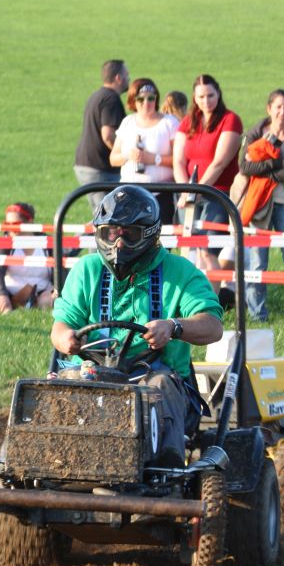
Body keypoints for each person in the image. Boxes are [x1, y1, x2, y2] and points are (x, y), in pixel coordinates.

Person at [51, 185, 224, 467]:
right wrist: (66, 339)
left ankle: (163, 471)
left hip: (157, 378)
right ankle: (40, 462)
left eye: (128, 235)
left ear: (149, 234)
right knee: (55, 387)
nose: (119, 244)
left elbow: (213, 327)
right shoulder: (87, 270)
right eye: (111, 234)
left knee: (158, 387)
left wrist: (173, 327)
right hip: (92, 372)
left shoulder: (180, 273)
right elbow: (60, 328)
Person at [237, 89, 284, 321]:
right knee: (257, 262)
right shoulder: (256, 133)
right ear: (269, 109)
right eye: (278, 107)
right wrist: (275, 165)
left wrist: (268, 172)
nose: (282, 112)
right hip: (258, 204)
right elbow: (245, 168)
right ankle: (257, 314)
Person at [173, 74, 243, 284]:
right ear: (194, 98)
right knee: (189, 252)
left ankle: (212, 306)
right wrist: (186, 190)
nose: (206, 101)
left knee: (207, 251)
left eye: (210, 95)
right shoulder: (188, 122)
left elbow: (219, 162)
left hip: (216, 194)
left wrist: (196, 191)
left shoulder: (230, 120)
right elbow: (178, 160)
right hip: (188, 196)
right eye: (201, 96)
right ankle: (192, 304)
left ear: (218, 93)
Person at [108, 78, 179, 223]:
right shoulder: (127, 122)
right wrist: (128, 155)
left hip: (161, 193)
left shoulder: (169, 122)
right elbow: (113, 159)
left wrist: (154, 159)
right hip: (129, 192)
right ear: (133, 101)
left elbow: (179, 159)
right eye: (141, 99)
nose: (146, 103)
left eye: (151, 98)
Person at [0, 202, 53, 314]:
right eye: (7, 224)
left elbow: (61, 270)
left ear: (29, 222)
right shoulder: (5, 241)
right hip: (8, 293)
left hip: (40, 293)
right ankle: (5, 308)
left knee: (53, 298)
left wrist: (57, 291)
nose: (10, 229)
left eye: (15, 224)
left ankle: (35, 305)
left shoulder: (48, 243)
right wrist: (1, 294)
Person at [74, 60, 129, 213]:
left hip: (86, 164)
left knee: (102, 213)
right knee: (108, 216)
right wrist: (120, 157)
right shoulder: (112, 99)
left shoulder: (97, 96)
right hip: (99, 169)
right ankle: (83, 236)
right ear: (118, 78)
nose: (129, 79)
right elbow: (107, 135)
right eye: (127, 75)